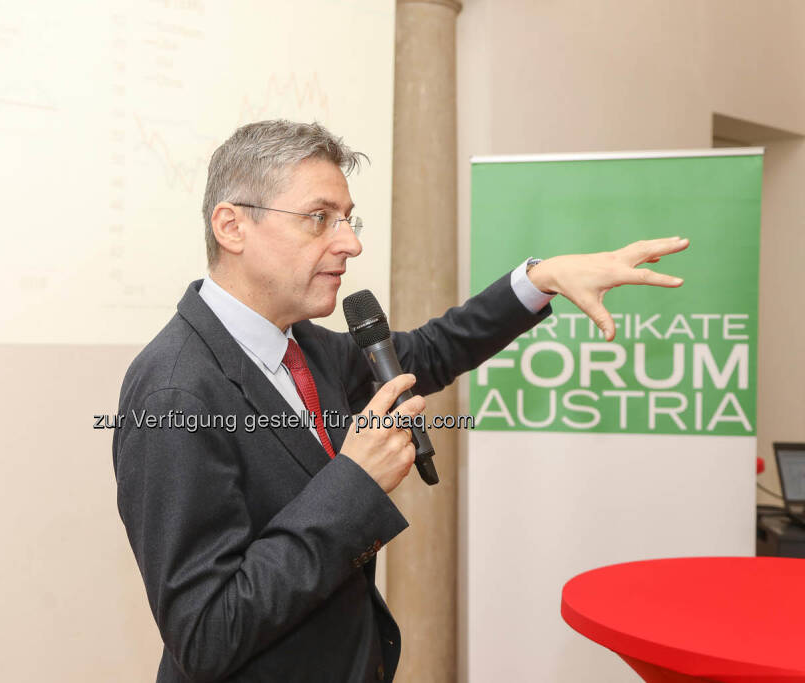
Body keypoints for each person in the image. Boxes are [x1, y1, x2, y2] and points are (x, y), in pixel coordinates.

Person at [112, 120, 688, 682]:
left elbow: (429, 353)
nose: (351, 243)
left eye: (347, 219)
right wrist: (355, 483)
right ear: (232, 227)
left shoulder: (304, 345)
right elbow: (206, 635)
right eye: (319, 219)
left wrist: (541, 279)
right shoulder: (174, 390)